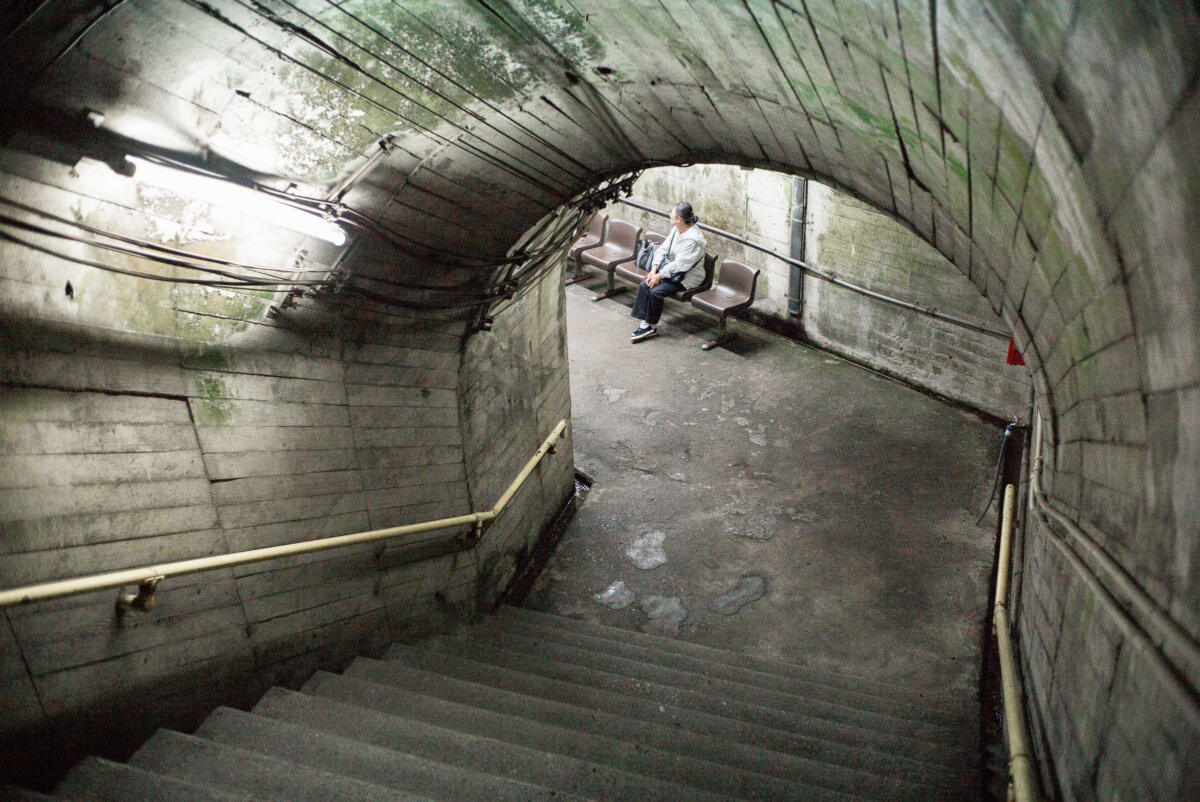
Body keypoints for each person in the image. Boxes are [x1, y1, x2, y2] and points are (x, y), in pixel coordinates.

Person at [630, 201, 706, 342]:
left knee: (655, 291)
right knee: (645, 284)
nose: (669, 213)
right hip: (669, 271)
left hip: (686, 277)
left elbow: (681, 265)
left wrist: (659, 275)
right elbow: (662, 249)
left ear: (679, 219)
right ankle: (645, 325)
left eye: (672, 212)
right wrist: (653, 270)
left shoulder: (694, 240)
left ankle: (649, 325)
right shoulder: (677, 229)